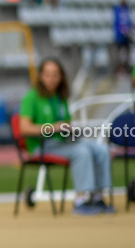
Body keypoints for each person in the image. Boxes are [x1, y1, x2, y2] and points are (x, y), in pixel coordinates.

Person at [17, 59, 114, 215]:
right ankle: (81, 200)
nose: (51, 78)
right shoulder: (31, 98)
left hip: (63, 142)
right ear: (41, 76)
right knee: (81, 152)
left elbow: (66, 124)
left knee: (101, 149)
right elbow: (24, 128)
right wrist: (52, 128)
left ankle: (97, 196)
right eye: (47, 74)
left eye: (55, 74)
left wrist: (68, 130)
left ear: (61, 77)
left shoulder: (60, 98)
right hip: (42, 146)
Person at [113, 0, 132, 76]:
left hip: (119, 36)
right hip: (124, 37)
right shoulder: (124, 11)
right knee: (124, 53)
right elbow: (125, 24)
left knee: (121, 54)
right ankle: (123, 69)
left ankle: (121, 69)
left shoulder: (118, 10)